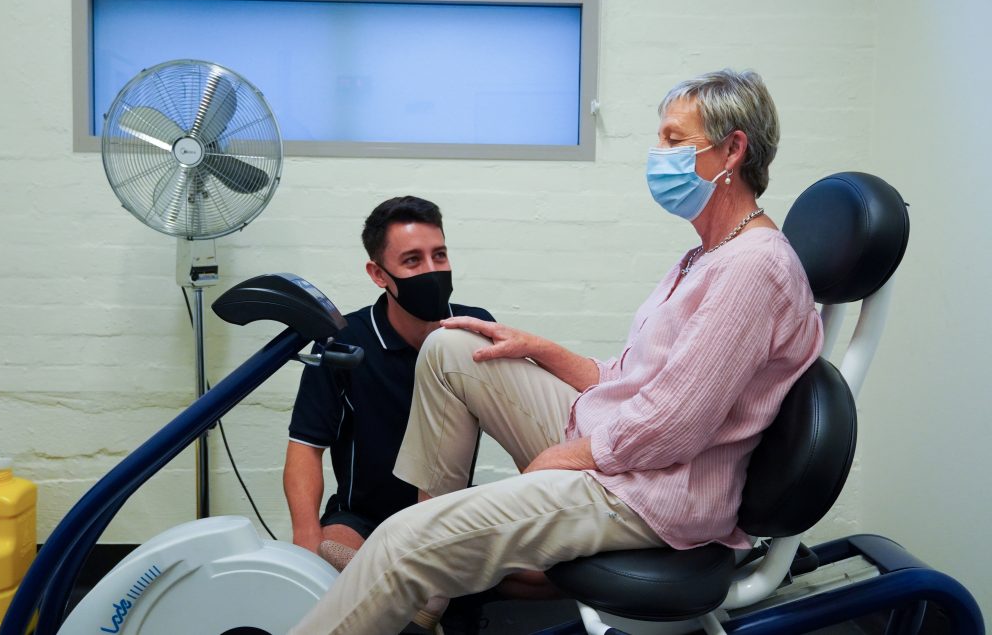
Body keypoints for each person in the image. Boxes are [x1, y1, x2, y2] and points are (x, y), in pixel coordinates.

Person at [289, 69, 825, 635]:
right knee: (451, 347)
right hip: (625, 448)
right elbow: (628, 377)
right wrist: (537, 347)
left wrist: (560, 459)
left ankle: (417, 564)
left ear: (733, 150)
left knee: (402, 538)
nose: (658, 155)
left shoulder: (753, 267)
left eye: (674, 141)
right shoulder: (709, 255)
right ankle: (430, 594)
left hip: (654, 494)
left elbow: (674, 425)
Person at [283, 196, 494, 574]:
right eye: (413, 260)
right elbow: (305, 446)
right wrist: (305, 540)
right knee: (333, 552)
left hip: (450, 515)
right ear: (378, 274)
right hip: (363, 522)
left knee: (554, 567)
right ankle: (427, 591)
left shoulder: (474, 328)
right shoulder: (343, 342)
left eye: (440, 256)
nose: (432, 270)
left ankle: (424, 591)